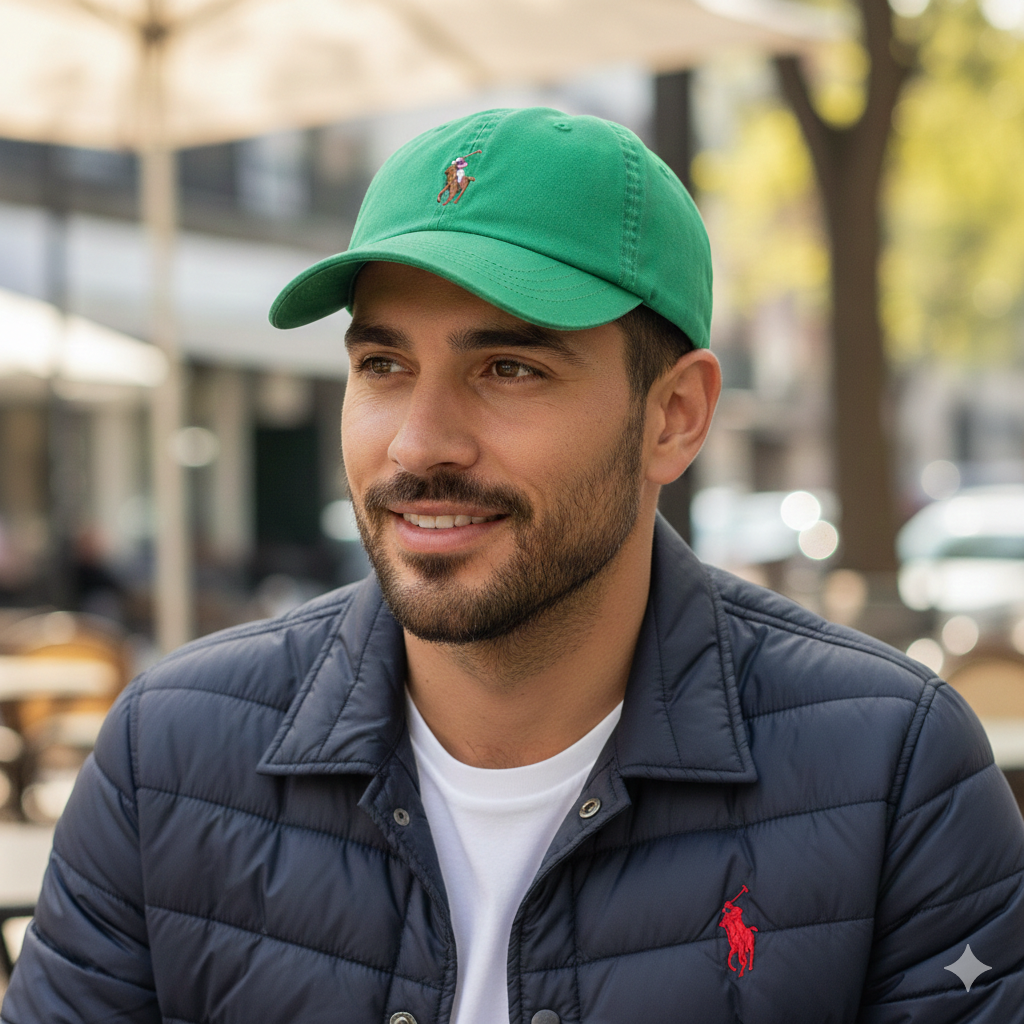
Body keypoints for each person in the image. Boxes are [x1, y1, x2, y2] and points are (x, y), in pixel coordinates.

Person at [3, 106, 1022, 1024]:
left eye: (508, 368)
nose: (418, 443)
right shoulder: (167, 760)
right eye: (384, 366)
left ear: (674, 415)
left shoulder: (892, 775)